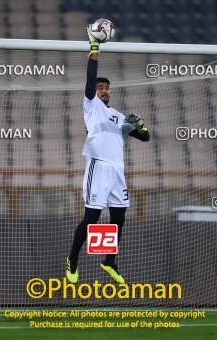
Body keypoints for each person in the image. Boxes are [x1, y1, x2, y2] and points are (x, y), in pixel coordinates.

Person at [66, 24, 150, 284]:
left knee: (119, 216)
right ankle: (72, 259)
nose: (104, 90)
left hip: (117, 171)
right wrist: (94, 47)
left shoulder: (118, 116)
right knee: (91, 217)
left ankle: (110, 260)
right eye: (101, 87)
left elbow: (144, 137)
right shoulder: (91, 106)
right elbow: (90, 79)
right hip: (98, 167)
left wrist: (139, 125)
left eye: (107, 88)